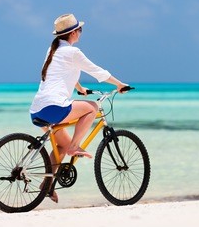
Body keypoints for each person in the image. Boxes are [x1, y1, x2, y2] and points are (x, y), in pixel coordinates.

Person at [30, 13, 128, 203]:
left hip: (37, 110)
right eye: (80, 30)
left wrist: (80, 89)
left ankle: (47, 185)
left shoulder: (54, 51)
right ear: (74, 32)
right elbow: (96, 71)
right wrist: (119, 84)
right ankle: (76, 146)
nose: (81, 33)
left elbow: (64, 73)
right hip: (54, 107)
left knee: (60, 147)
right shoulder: (73, 52)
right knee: (92, 107)